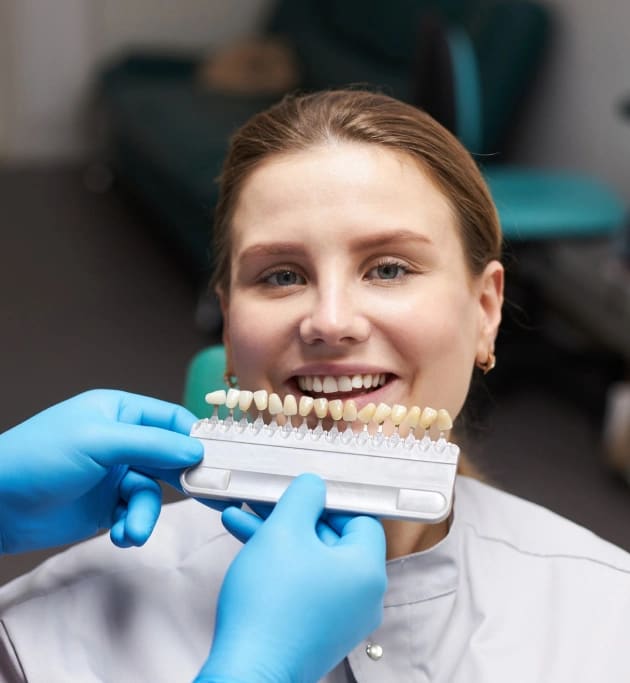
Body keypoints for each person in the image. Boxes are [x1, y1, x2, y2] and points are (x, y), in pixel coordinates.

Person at [2, 88, 630, 681]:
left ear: (486, 311)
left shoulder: (607, 615)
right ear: (229, 318)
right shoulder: (46, 634)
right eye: (280, 276)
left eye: (388, 268)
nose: (329, 321)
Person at [0, 390, 386, 682]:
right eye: (283, 278)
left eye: (389, 276)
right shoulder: (34, 641)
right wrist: (256, 669)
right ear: (229, 342)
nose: (332, 323)